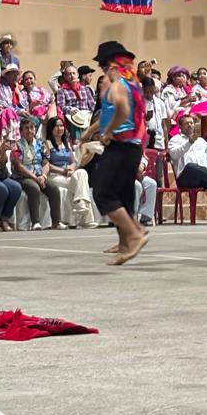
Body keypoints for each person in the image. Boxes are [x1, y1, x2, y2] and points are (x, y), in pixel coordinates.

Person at [90, 40, 150, 264]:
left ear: (112, 66)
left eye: (104, 66)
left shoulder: (117, 86)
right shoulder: (132, 85)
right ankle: (127, 242)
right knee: (122, 195)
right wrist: (91, 131)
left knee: (103, 193)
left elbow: (122, 112)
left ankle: (134, 234)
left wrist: (108, 132)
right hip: (132, 147)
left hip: (120, 146)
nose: (103, 71)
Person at [11, 117, 64, 229]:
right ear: (21, 131)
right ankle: (35, 222)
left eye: (32, 128)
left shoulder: (41, 144)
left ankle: (56, 222)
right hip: (23, 177)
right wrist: (35, 178)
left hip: (40, 175)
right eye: (26, 128)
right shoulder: (16, 146)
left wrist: (43, 176)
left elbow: (46, 163)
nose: (29, 131)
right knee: (34, 187)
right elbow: (19, 167)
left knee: (54, 189)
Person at [43, 117, 96, 228]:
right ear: (51, 129)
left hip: (68, 174)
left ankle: (81, 204)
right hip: (55, 175)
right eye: (56, 126)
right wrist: (63, 171)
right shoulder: (47, 144)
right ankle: (85, 219)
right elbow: (47, 165)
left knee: (82, 172)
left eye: (61, 126)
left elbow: (73, 162)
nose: (60, 128)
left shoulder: (66, 143)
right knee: (79, 184)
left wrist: (72, 168)